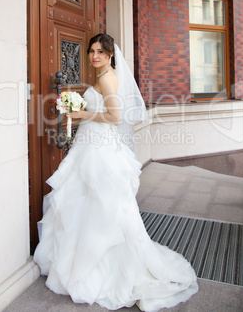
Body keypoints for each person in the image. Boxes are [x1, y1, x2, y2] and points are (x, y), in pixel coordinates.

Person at [34, 33, 198, 311]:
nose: (95, 56)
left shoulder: (108, 78)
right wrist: (80, 107)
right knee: (87, 202)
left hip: (100, 149)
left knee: (99, 204)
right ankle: (79, 260)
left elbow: (115, 117)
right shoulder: (104, 76)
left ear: (111, 55)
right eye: (91, 51)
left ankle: (101, 268)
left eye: (100, 51)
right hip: (92, 145)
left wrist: (83, 114)